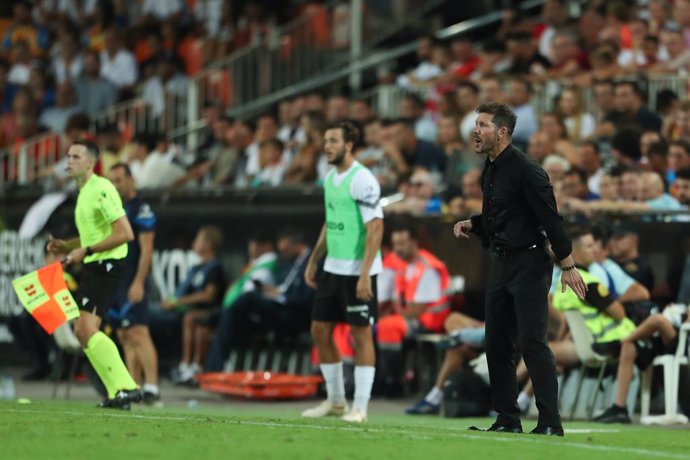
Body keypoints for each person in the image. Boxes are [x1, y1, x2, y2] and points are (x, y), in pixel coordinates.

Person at [453, 103, 586, 436]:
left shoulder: (528, 170)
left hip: (529, 263)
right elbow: (503, 215)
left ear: (501, 132)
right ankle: (507, 418)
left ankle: (550, 422)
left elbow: (549, 218)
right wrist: (475, 224)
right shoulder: (491, 167)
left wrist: (567, 263)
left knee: (533, 341)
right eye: (476, 124)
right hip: (501, 262)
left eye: (482, 124)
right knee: (496, 341)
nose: (475, 130)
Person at [46, 140, 140, 409]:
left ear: (90, 162)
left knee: (85, 329)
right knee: (83, 331)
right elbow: (94, 235)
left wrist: (84, 250)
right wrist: (69, 245)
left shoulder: (101, 188)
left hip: (108, 264)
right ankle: (117, 394)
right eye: (67, 156)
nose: (69, 161)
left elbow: (125, 233)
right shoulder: (85, 192)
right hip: (96, 264)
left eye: (75, 156)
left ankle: (128, 386)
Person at [302, 121, 384, 423]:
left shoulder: (363, 179)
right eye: (326, 140)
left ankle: (359, 407)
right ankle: (336, 402)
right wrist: (314, 260)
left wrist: (365, 274)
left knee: (361, 335)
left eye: (333, 140)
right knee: (319, 331)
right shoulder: (330, 177)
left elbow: (376, 228)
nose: (327, 146)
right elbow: (330, 221)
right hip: (333, 268)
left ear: (349, 145)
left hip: (357, 271)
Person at [108, 163, 161, 405]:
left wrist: (139, 281)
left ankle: (152, 386)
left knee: (139, 331)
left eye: (119, 180)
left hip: (132, 280)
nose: (116, 186)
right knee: (125, 335)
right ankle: (133, 385)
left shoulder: (142, 210)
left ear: (132, 180)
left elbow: (147, 249)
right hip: (117, 281)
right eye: (113, 181)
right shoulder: (116, 209)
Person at [162, 226, 226, 384]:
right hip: (182, 312)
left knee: (191, 318)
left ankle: (193, 367)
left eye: (198, 240)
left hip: (211, 312)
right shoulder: (195, 268)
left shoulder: (214, 268)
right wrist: (172, 301)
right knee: (186, 317)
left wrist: (178, 303)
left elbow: (208, 296)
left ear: (208, 245)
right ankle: (185, 366)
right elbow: (182, 293)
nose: (194, 243)